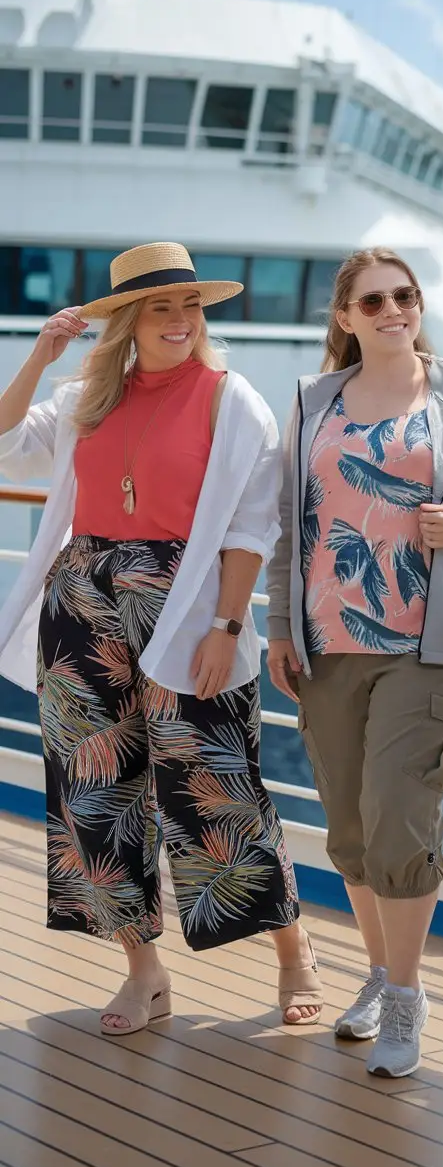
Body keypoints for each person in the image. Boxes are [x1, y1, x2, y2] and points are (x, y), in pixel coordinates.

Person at [0, 242, 322, 1036]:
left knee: (215, 785)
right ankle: (144, 971)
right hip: (82, 596)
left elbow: (252, 525)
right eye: (160, 307)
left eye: (189, 305)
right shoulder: (87, 396)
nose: (180, 321)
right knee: (92, 790)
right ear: (127, 321)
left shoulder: (230, 398)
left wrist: (227, 625)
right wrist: (41, 357)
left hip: (189, 600)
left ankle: (294, 952)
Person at [266, 246, 443, 1078]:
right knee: (349, 830)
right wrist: (278, 626)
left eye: (403, 296)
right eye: (371, 301)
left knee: (401, 819)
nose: (391, 311)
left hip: (430, 648)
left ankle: (408, 998)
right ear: (344, 317)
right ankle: (378, 974)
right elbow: (290, 526)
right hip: (326, 647)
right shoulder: (313, 401)